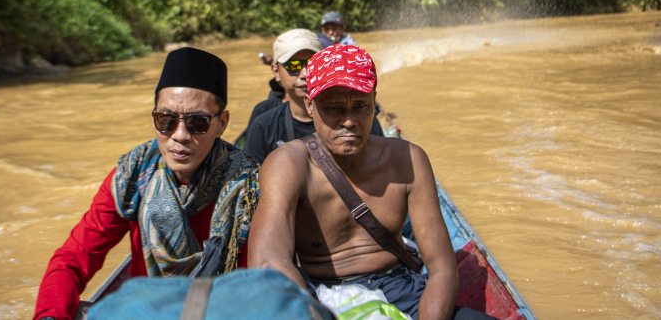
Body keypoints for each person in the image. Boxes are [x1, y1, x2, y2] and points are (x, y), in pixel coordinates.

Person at [33, 48, 259, 320]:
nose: (180, 135)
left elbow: (258, 281)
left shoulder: (249, 188)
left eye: (197, 123)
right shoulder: (131, 177)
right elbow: (74, 257)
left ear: (222, 123)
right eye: (166, 120)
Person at [247, 44, 468, 320]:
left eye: (361, 106)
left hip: (400, 288)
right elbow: (269, 262)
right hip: (318, 295)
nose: (349, 121)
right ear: (310, 106)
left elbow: (441, 268)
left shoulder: (408, 159)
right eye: (334, 108)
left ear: (374, 102)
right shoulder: (288, 164)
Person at [244, 31, 384, 165]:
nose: (305, 73)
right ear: (276, 71)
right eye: (294, 66)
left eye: (312, 63)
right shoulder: (264, 125)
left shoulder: (360, 119)